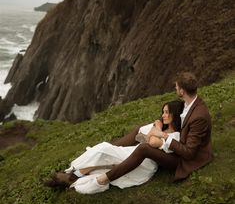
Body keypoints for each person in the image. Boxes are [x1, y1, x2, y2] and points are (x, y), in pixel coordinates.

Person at [46, 72, 213, 194]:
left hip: (184, 158)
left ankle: (101, 177)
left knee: (138, 149)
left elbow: (189, 152)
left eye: (177, 87)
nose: (175, 89)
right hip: (168, 146)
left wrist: (163, 139)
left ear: (182, 90)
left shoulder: (198, 115)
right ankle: (76, 171)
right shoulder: (186, 105)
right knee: (116, 147)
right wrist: (159, 125)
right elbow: (170, 117)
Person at [45, 100, 183, 191]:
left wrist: (156, 129)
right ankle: (73, 173)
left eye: (166, 112)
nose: (163, 115)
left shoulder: (175, 135)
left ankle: (74, 176)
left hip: (144, 164)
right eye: (163, 112)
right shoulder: (162, 130)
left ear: (174, 115)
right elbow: (142, 134)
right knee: (102, 151)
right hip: (133, 153)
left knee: (103, 150)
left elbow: (152, 142)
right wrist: (155, 131)